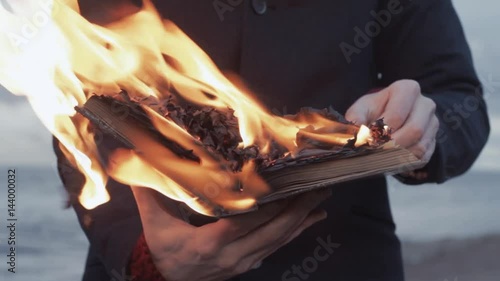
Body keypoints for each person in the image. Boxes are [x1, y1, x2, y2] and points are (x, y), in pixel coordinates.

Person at [53, 0, 490, 280]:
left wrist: (425, 127)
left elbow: (457, 97)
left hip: (342, 260)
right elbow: (74, 106)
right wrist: (144, 257)